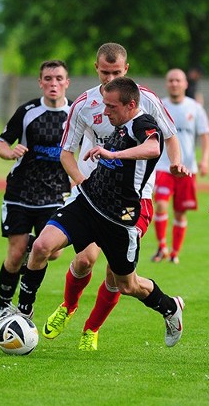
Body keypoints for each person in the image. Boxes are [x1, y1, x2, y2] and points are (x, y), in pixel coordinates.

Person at [35, 43, 187, 351]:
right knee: (82, 260)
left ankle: (92, 328)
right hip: (93, 193)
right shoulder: (86, 104)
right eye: (105, 72)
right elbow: (68, 153)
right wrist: (81, 182)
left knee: (119, 278)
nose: (109, 79)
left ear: (126, 71)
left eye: (116, 73)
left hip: (134, 200)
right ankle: (68, 306)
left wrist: (176, 161)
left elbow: (167, 136)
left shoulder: (144, 104)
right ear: (96, 68)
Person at [0, 60, 72, 335]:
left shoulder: (75, 112)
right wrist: (10, 152)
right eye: (48, 78)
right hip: (21, 191)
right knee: (14, 254)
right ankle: (4, 307)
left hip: (55, 192)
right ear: (40, 83)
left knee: (55, 251)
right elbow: (1, 143)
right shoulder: (27, 111)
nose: (53, 84)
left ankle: (31, 246)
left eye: (59, 78)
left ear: (67, 82)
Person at [152, 68, 209, 264]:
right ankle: (162, 247)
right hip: (163, 166)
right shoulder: (159, 106)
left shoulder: (194, 108)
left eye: (178, 80)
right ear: (167, 84)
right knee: (160, 204)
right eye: (171, 80)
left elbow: (204, 136)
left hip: (187, 168)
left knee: (180, 211)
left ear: (185, 84)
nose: (174, 84)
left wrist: (204, 160)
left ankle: (175, 252)